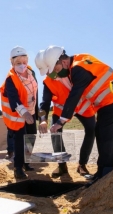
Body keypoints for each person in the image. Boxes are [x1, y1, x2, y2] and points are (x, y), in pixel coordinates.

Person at [44, 46, 113, 180]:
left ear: (63, 62)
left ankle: (106, 173)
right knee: (100, 132)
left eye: (57, 70)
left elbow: (74, 96)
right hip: (107, 101)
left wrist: (60, 121)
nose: (57, 73)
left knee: (106, 134)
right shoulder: (79, 60)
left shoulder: (77, 69)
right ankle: (101, 172)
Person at [35, 50, 96, 178]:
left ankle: (82, 165)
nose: (47, 74)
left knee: (91, 130)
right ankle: (62, 166)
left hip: (82, 106)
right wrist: (42, 119)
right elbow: (44, 104)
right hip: (61, 110)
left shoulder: (70, 71)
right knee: (55, 132)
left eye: (48, 71)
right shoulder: (47, 82)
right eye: (46, 72)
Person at [0, 46, 38, 179]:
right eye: (18, 63)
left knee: (31, 137)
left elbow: (35, 92)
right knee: (20, 140)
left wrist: (35, 113)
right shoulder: (10, 79)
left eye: (24, 62)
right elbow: (13, 99)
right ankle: (17, 168)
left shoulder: (32, 73)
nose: (22, 65)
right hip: (18, 114)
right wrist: (25, 113)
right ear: (12, 63)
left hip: (31, 111)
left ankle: (26, 162)